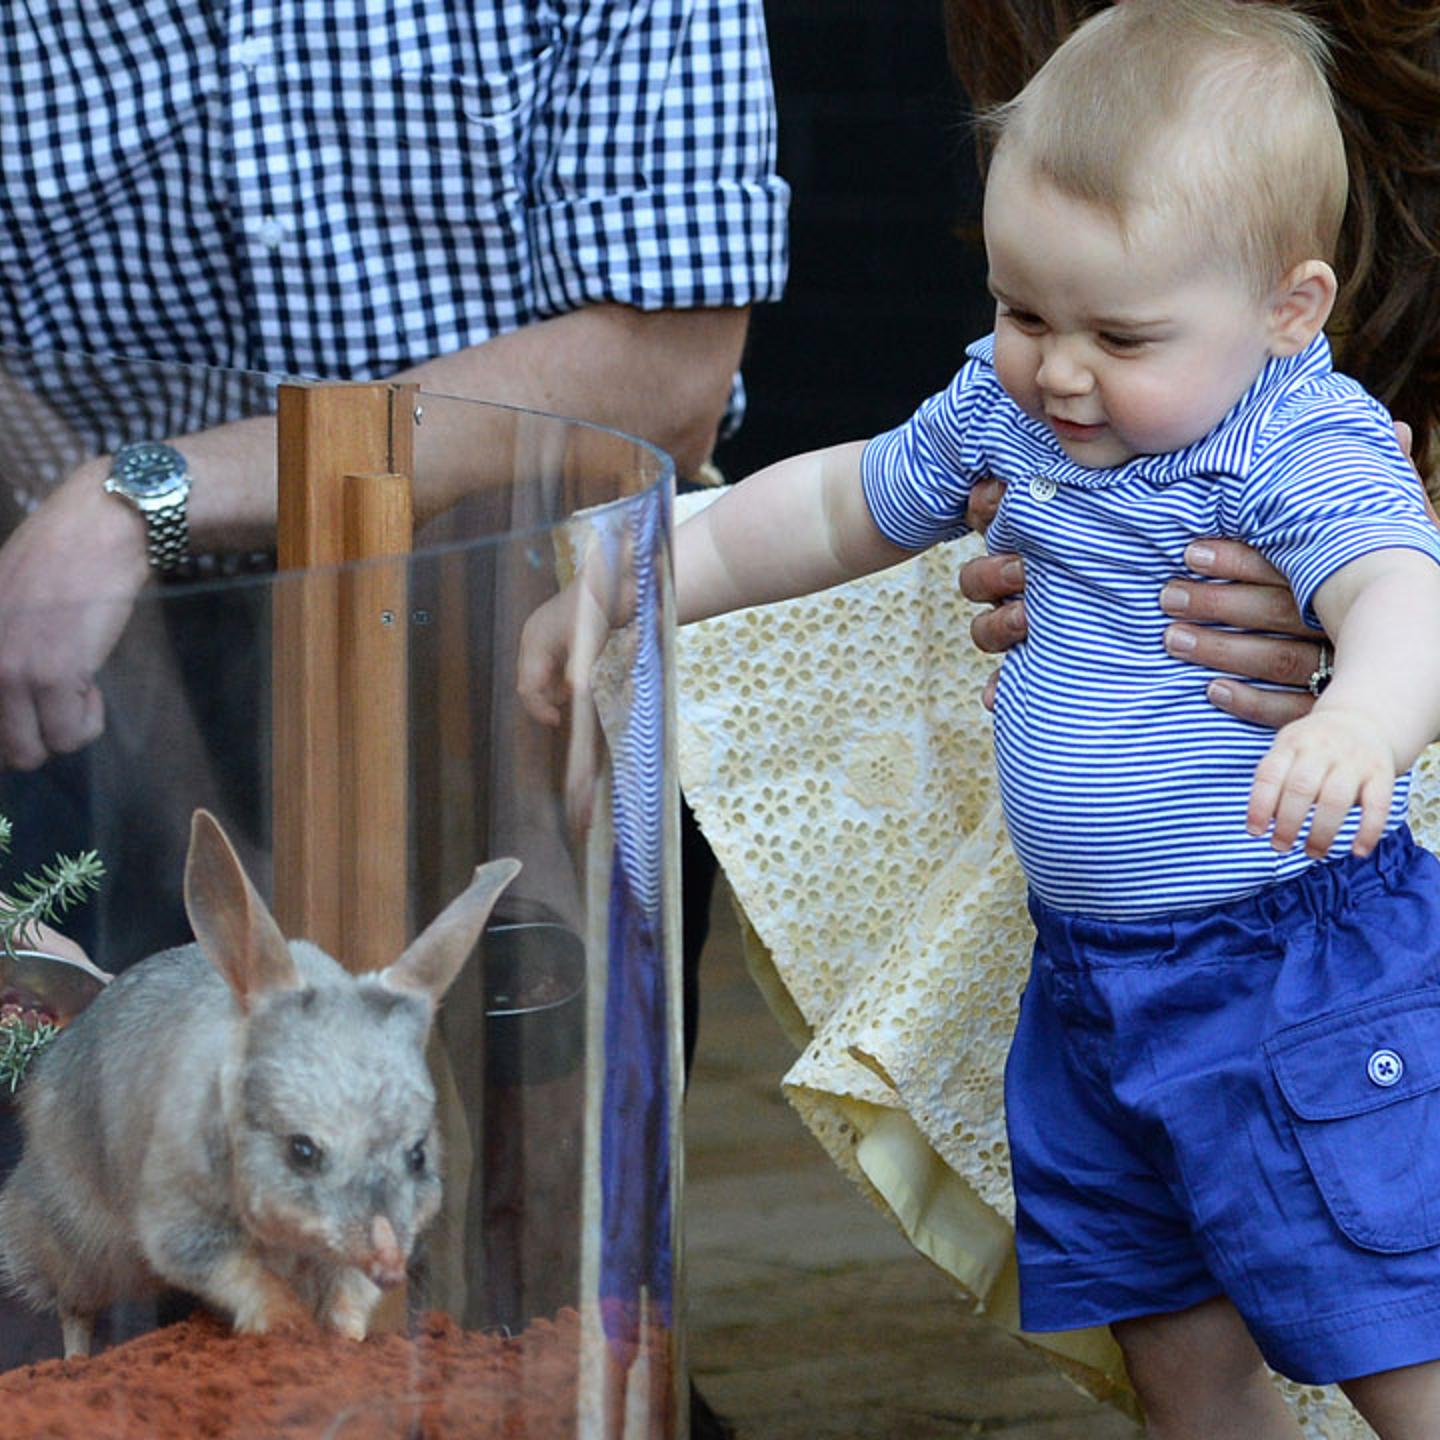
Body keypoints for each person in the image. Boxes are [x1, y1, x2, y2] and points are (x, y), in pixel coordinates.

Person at [520, 2, 1440, 1433]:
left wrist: (1364, 722)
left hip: (1286, 964)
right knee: (1173, 1341)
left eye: (1119, 333)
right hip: (1090, 983)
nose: (1060, 369)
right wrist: (647, 567)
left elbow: (1397, 588)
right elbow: (835, 505)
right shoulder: (1012, 411)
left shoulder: (1292, 435)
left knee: (1386, 1307)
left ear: (1288, 309)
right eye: (1024, 313)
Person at [0, 4, 787, 1427]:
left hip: (515, 612)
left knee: (512, 1249)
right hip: (87, 648)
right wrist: (155, 721)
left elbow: (668, 371)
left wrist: (144, 495)